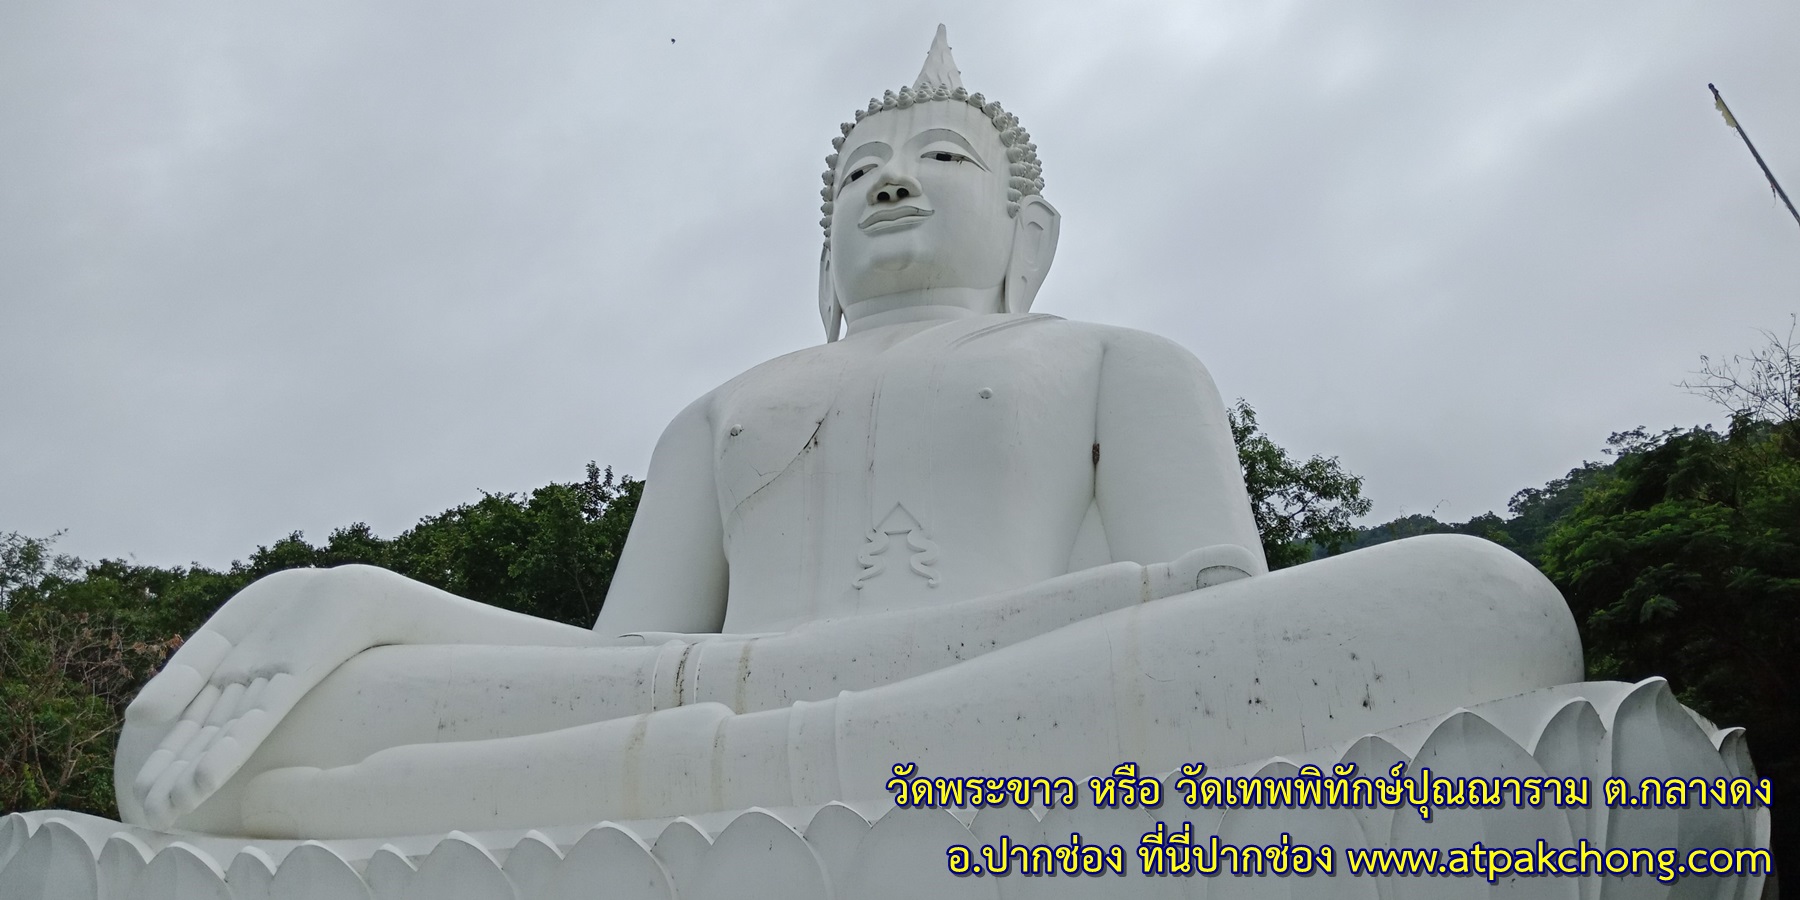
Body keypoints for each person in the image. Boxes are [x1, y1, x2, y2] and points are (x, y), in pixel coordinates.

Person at [117, 28, 1579, 839]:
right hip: (747, 710)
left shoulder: (1121, 361)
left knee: (1477, 601)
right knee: (297, 699)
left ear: (1030, 229)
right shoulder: (720, 409)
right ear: (821, 247)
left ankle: (437, 806)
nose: (894, 182)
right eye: (861, 173)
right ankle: (755, 763)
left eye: (942, 159)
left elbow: (1216, 614)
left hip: (1019, 694)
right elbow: (616, 673)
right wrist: (360, 603)